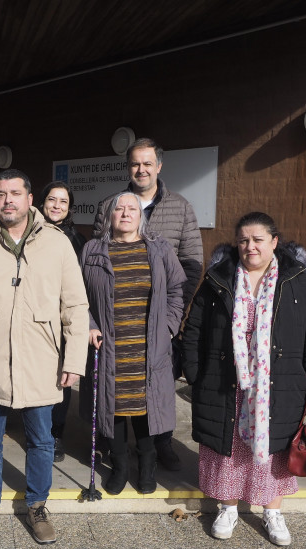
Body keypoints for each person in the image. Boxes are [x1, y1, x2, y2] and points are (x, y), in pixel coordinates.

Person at [0, 170, 88, 545]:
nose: (7, 200)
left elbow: (75, 304)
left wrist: (74, 360)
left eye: (15, 193)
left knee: (41, 440)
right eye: (0, 194)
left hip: (41, 359)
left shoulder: (57, 244)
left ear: (30, 200)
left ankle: (37, 504)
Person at [182, 212, 306, 545]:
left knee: (276, 448)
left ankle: (272, 511)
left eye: (258, 240)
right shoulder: (219, 277)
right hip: (226, 381)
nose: (250, 247)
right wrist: (193, 372)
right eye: (243, 240)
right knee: (228, 448)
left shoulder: (297, 279)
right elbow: (194, 328)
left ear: (274, 242)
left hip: (277, 384)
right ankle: (228, 507)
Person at [93, 138, 203, 471]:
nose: (141, 170)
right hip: (119, 319)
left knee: (159, 384)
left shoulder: (180, 206)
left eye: (147, 163)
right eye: (135, 164)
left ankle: (161, 443)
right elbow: (98, 256)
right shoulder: (109, 205)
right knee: (119, 383)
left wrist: (170, 320)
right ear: (129, 168)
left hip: (158, 321)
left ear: (159, 166)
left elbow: (192, 263)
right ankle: (118, 449)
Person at [81, 193, 185, 495]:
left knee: (145, 406)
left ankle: (148, 460)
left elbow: (177, 288)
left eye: (132, 209)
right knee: (114, 405)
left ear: (141, 216)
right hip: (110, 344)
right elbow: (76, 295)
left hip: (148, 345)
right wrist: (89, 325)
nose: (125, 213)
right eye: (119, 208)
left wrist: (168, 325)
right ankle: (121, 464)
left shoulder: (159, 249)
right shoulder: (92, 250)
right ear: (109, 216)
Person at [38, 180, 86, 462]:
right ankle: (37, 430)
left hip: (61, 320)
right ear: (42, 202)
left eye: (63, 202)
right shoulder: (28, 233)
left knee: (60, 380)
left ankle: (55, 433)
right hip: (33, 318)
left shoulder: (75, 240)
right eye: (52, 200)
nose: (56, 206)